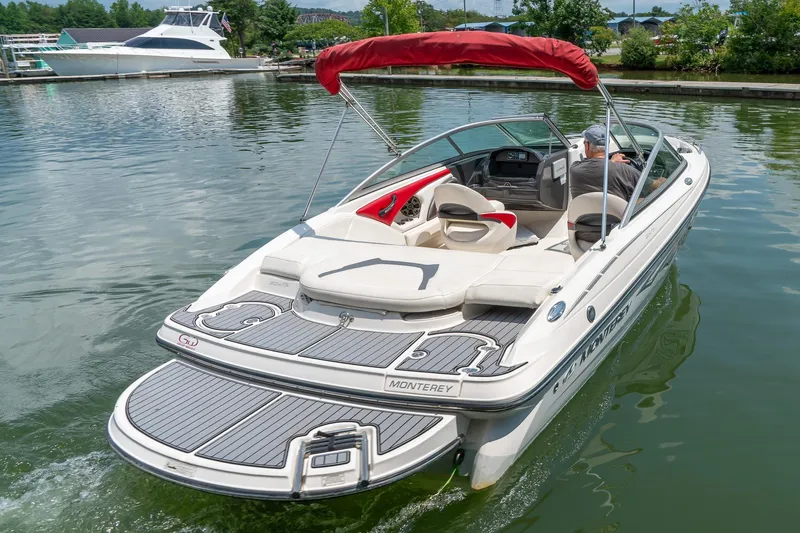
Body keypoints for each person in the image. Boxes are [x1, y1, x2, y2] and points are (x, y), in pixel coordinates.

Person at [570, 124, 642, 202]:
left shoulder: (574, 169)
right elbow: (653, 186)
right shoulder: (625, 170)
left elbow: (597, 170)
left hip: (583, 213)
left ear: (587, 145)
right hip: (616, 214)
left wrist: (611, 162)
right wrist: (612, 163)